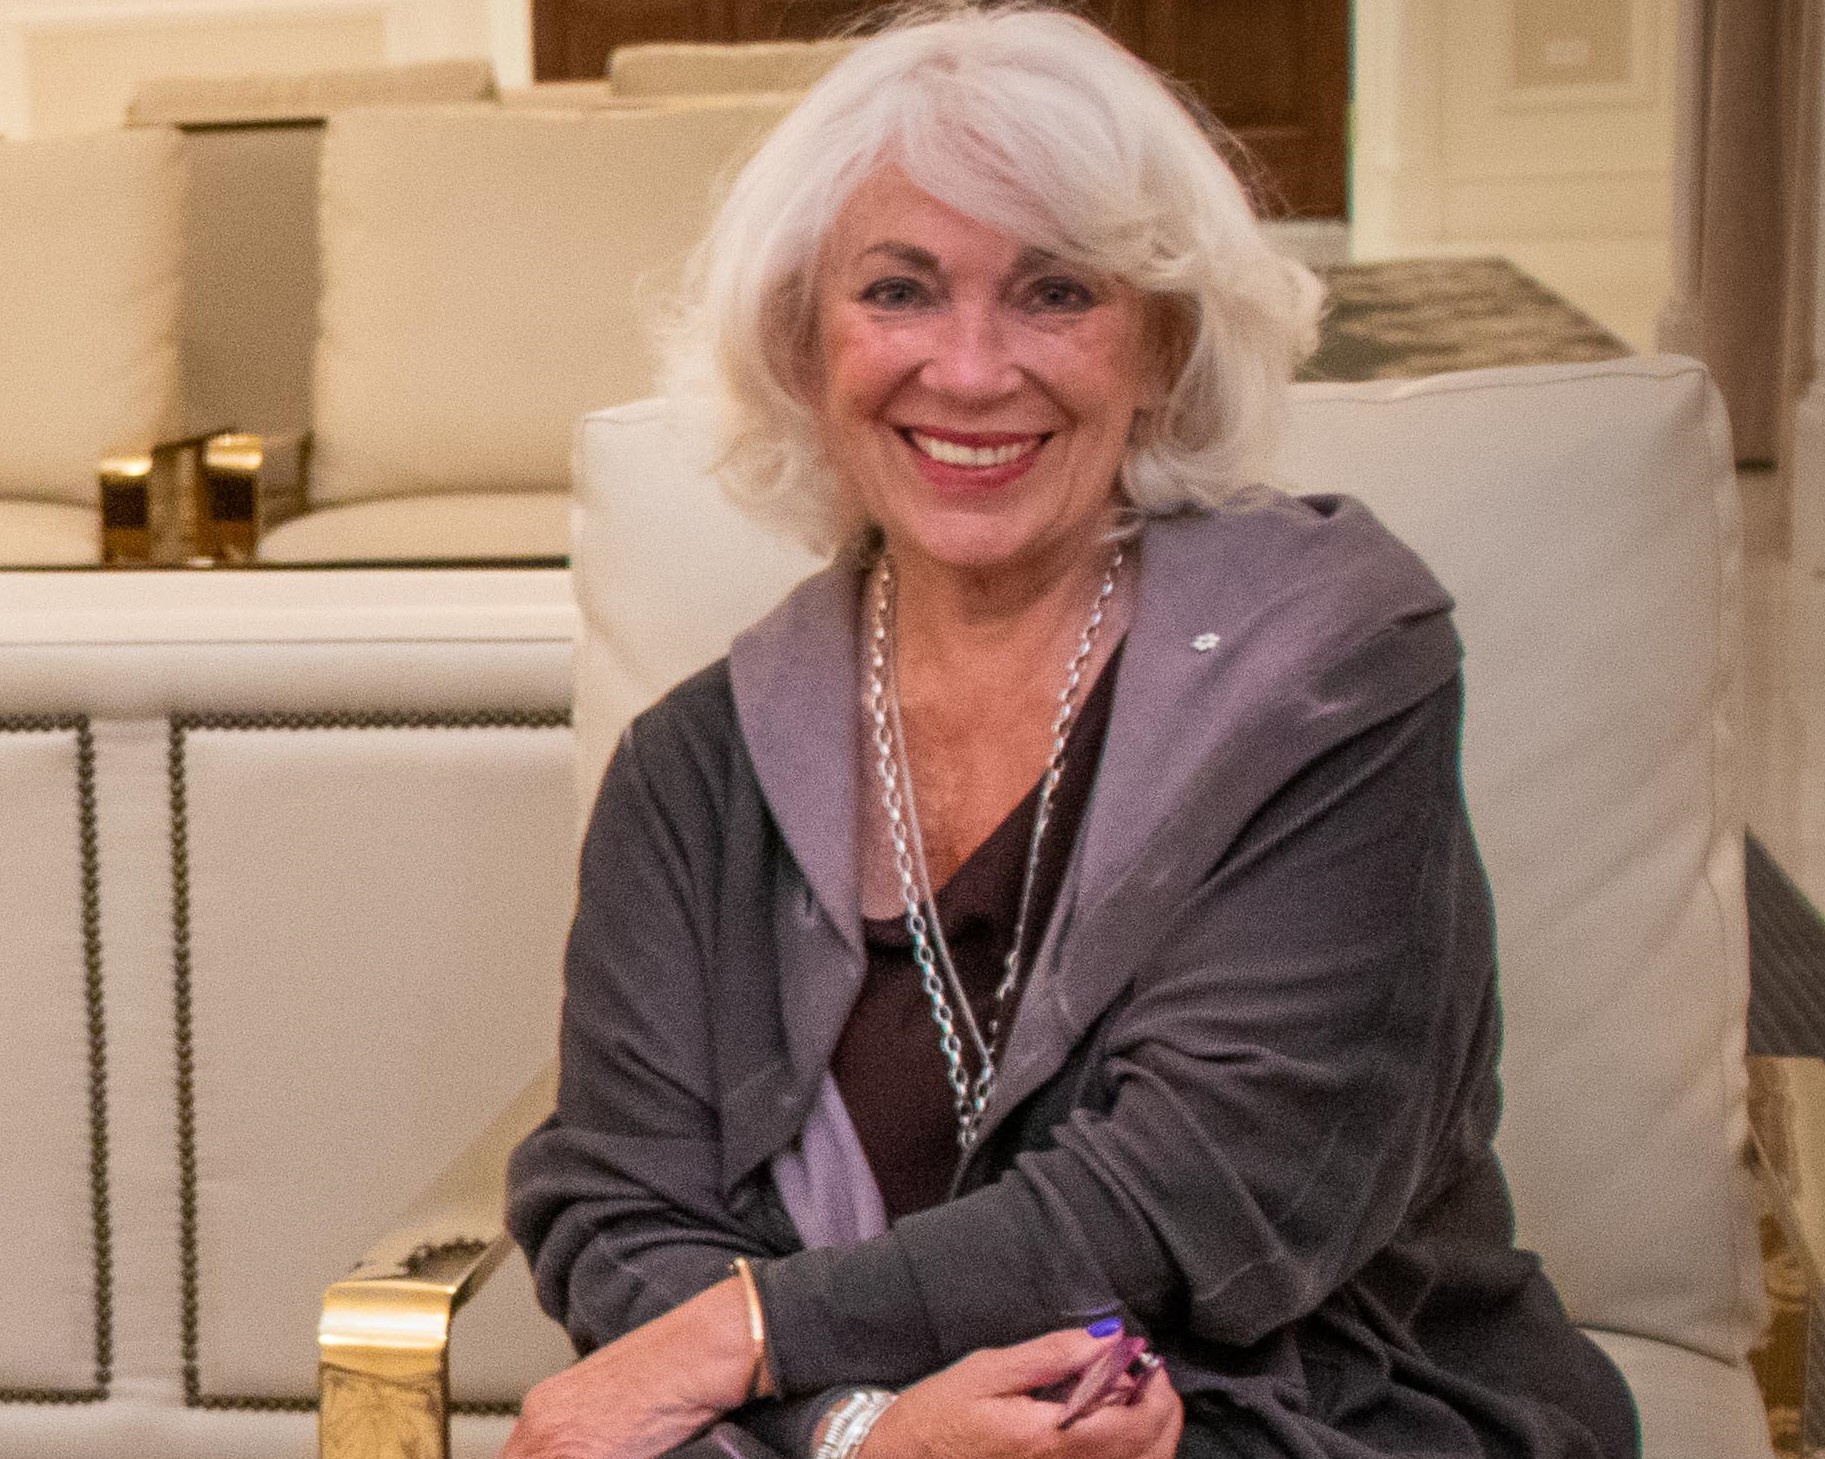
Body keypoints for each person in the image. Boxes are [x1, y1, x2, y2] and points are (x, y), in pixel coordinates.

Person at [503, 6, 1641, 1459]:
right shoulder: (697, 766)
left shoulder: (1329, 660)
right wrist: (862, 1433)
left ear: (1162, 345)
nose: (973, 370)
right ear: (800, 344)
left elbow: (1221, 1182)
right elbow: (618, 1205)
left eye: (1055, 294)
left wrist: (750, 1337)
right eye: (900, 292)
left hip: (1301, 1413)